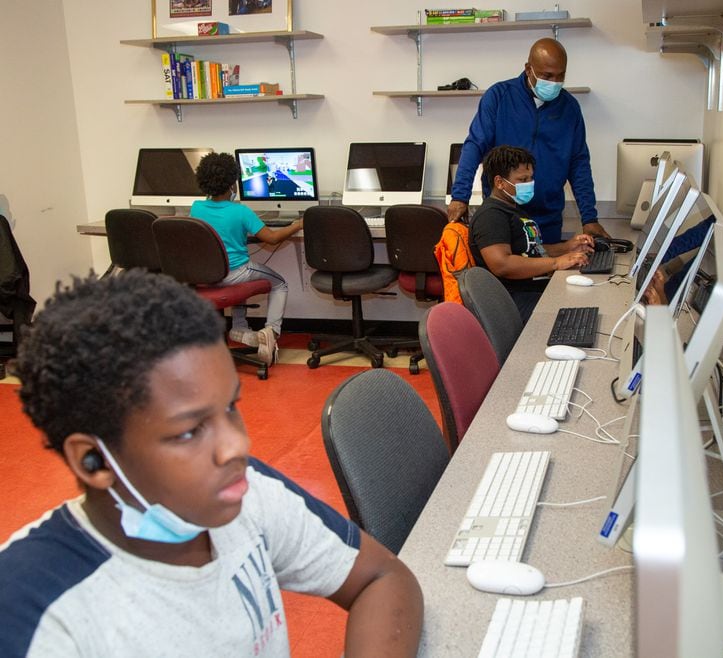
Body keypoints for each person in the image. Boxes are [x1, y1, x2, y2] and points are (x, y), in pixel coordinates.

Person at [0, 271, 423, 658]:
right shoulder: (35, 613)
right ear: (93, 462)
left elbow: (381, 578)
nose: (236, 446)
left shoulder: (245, 492)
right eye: (189, 431)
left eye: (231, 407)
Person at [448, 37, 610, 244]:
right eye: (547, 76)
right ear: (528, 69)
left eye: (560, 76)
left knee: (546, 269)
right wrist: (460, 196)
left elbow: (579, 165)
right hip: (502, 216)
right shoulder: (499, 96)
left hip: (547, 219)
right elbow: (474, 146)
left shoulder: (570, 108)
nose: (553, 83)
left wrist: (589, 218)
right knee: (504, 269)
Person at [190, 152, 303, 365]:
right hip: (236, 273)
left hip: (206, 276)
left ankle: (240, 328)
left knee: (241, 276)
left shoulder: (196, 208)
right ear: (233, 182)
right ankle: (271, 332)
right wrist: (297, 225)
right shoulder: (240, 212)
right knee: (279, 283)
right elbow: (271, 238)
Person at [469, 145, 593, 322]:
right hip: (514, 300)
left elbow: (532, 251)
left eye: (530, 178)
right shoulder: (491, 216)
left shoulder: (515, 210)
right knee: (581, 316)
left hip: (532, 290)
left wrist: (568, 247)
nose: (529, 183)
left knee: (591, 299)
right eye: (522, 179)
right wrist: (556, 263)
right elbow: (502, 264)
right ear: (499, 182)